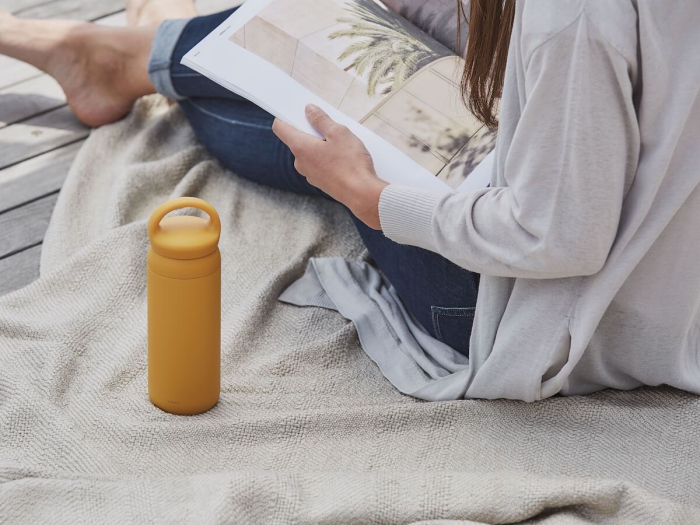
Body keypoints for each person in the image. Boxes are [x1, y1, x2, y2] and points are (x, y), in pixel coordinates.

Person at [1, 0, 698, 401]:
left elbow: (558, 236)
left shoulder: (572, 18)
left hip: (527, 310)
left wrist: (372, 197)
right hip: (658, 271)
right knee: (341, 38)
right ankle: (139, 49)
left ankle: (128, 55)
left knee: (311, 132)